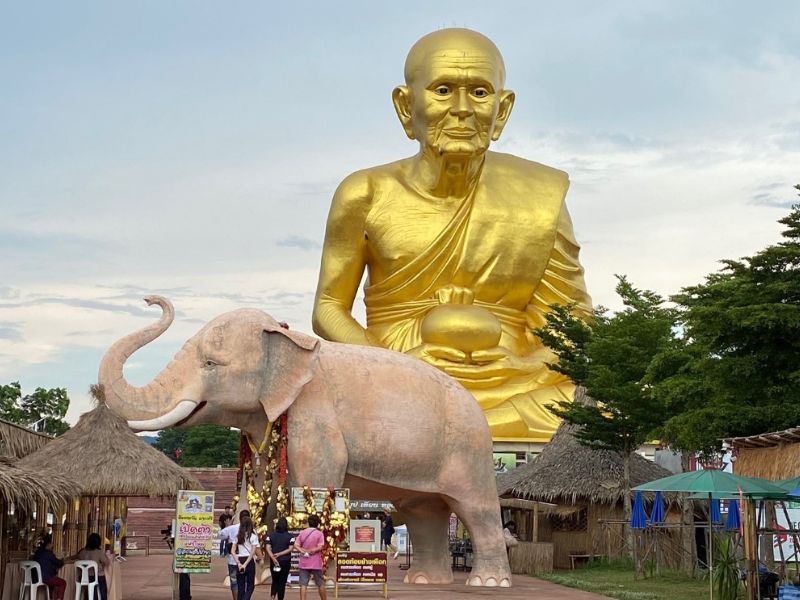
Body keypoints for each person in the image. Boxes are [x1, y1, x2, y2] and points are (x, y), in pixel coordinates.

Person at [312, 28, 592, 441]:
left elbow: (576, 327)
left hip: (510, 381)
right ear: (406, 107)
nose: (462, 109)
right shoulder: (366, 193)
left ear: (503, 109)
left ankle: (461, 431)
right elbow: (328, 308)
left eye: (479, 92)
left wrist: (528, 366)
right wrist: (394, 366)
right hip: (399, 371)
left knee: (602, 407)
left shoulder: (540, 195)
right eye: (443, 90)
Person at [220, 509, 251, 600]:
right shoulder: (252, 530)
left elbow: (220, 535)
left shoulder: (232, 528)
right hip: (247, 561)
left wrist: (227, 527)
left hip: (233, 561)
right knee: (246, 582)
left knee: (234, 582)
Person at [294, 514, 326, 600]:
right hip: (316, 562)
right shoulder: (319, 534)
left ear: (308, 523)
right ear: (318, 524)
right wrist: (313, 550)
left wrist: (302, 551)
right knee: (320, 583)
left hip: (304, 561)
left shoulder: (302, 532)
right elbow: (321, 546)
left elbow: (296, 545)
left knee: (303, 584)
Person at [231, 515, 262, 600]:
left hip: (240, 559)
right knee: (250, 585)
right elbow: (252, 553)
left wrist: (239, 563)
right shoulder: (253, 537)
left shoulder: (238, 536)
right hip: (249, 561)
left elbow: (232, 551)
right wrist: (245, 564)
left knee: (240, 586)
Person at [266, 517, 295, 600]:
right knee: (282, 582)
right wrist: (280, 554)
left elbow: (268, 547)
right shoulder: (290, 537)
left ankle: (272, 597)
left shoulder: (271, 536)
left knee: (275, 580)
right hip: (285, 561)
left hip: (274, 562)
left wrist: (273, 557)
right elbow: (290, 549)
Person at [77, 533, 112, 600]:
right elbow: (107, 562)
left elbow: (77, 558)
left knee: (92, 588)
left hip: (83, 578)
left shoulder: (82, 552)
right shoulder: (99, 552)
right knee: (102, 588)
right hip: (97, 576)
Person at [31, 534, 66, 600]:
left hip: (35, 578)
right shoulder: (49, 553)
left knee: (52, 584)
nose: (52, 545)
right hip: (45, 578)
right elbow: (59, 563)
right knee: (63, 583)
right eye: (51, 543)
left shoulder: (37, 553)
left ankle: (51, 598)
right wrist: (63, 559)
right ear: (48, 544)